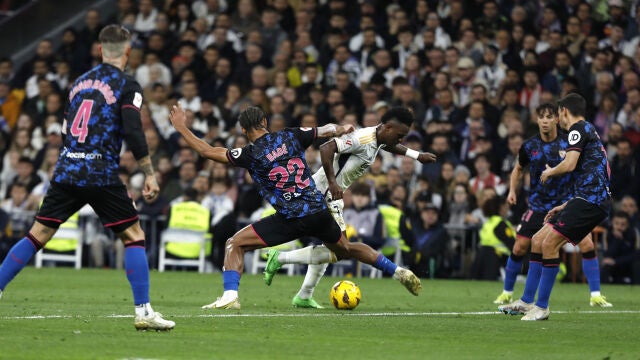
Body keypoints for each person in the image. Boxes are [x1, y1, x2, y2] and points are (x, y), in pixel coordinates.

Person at [0, 25, 175, 331]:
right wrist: (149, 173)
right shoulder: (127, 84)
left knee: (37, 234)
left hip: (68, 169)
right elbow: (134, 131)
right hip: (100, 171)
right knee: (133, 236)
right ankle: (144, 312)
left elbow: (67, 130)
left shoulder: (78, 83)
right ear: (128, 51)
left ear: (99, 50)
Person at [169, 105, 425, 310]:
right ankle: (397, 271)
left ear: (245, 130)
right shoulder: (290, 135)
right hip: (318, 209)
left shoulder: (248, 153)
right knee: (345, 248)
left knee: (235, 244)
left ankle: (230, 296)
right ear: (265, 123)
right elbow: (323, 131)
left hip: (290, 218)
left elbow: (206, 151)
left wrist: (181, 128)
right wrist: (341, 127)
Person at [262, 107, 436, 308]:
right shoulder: (362, 138)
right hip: (324, 195)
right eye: (399, 135)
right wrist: (333, 182)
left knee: (333, 247)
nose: (400, 140)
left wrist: (416, 155)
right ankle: (280, 258)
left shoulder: (379, 139)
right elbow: (326, 148)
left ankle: (304, 294)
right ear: (387, 127)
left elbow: (388, 146)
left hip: (331, 196)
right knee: (343, 249)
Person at [494, 103, 612, 308]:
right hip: (538, 206)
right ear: (537, 120)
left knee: (585, 244)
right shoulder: (530, 146)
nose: (546, 120)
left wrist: (553, 172)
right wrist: (512, 190)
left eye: (551, 116)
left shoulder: (570, 140)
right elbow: (518, 169)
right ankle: (510, 294)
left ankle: (594, 294)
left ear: (558, 118)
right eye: (542, 117)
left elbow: (574, 167)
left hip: (567, 204)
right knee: (522, 245)